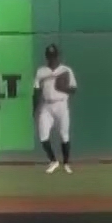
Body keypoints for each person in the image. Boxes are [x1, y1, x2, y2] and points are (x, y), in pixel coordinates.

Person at [34, 43, 77, 173]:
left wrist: (64, 88)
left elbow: (74, 89)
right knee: (43, 135)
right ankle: (53, 161)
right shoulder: (41, 71)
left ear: (58, 56)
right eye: (50, 56)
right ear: (47, 56)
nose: (52, 58)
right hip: (47, 105)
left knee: (64, 135)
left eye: (54, 56)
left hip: (61, 105)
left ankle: (66, 163)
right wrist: (34, 109)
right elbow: (36, 91)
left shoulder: (66, 70)